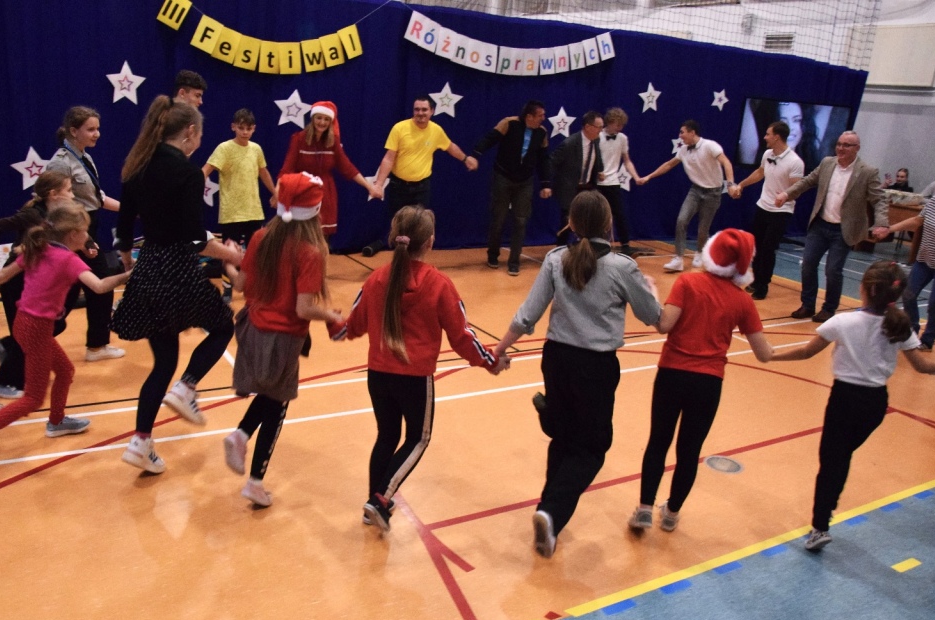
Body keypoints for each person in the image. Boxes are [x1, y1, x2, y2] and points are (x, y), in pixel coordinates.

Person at [492, 191, 662, 558]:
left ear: (571, 224)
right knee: (592, 448)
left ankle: (548, 518)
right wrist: (651, 289)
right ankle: (551, 513)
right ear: (608, 223)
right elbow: (654, 317)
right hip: (595, 367)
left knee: (564, 438)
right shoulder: (622, 267)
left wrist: (501, 348)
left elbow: (528, 313)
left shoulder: (556, 259)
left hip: (556, 359)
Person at [330, 205, 504, 533]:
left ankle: (373, 504)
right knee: (418, 438)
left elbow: (354, 325)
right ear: (430, 242)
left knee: (387, 435)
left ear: (394, 237)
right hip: (414, 378)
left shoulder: (376, 279)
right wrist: (489, 361)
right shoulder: (439, 284)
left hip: (378, 374)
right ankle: (380, 499)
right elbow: (462, 336)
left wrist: (335, 325)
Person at [0, 202, 132, 475]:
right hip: (37, 327)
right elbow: (99, 286)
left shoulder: (40, 248)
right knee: (33, 398)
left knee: (65, 371)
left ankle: (57, 422)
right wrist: (131, 274)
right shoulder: (69, 259)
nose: (88, 235)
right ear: (73, 234)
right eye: (85, 231)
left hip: (24, 323)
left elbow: (2, 274)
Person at [769, 261, 935, 551]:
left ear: (866, 290)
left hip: (844, 400)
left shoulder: (842, 322)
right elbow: (923, 367)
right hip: (875, 405)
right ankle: (825, 513)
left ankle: (820, 526)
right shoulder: (899, 324)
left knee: (832, 463)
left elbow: (806, 353)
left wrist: (770, 356)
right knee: (840, 457)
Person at [113, 96, 243, 474]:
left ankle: (140, 441)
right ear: (189, 132)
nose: (199, 141)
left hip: (148, 268)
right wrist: (231, 254)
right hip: (177, 268)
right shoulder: (187, 174)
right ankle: (187, 387)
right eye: (199, 135)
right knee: (223, 325)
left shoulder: (136, 166)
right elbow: (195, 238)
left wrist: (129, 265)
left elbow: (124, 231)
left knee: (163, 360)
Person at [627, 229, 773, 534]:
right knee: (689, 451)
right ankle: (671, 513)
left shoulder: (688, 283)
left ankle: (644, 509)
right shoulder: (742, 300)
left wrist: (651, 290)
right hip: (708, 382)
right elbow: (763, 353)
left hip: (672, 375)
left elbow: (663, 325)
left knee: (658, 442)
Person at [221, 172, 343, 507]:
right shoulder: (310, 252)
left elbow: (240, 285)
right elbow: (303, 308)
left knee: (270, 398)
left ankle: (242, 439)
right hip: (283, 338)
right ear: (314, 212)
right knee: (277, 405)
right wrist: (332, 316)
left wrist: (229, 261)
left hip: (252, 330)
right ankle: (253, 476)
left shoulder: (261, 237)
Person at [0, 170, 76, 398]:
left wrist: (90, 244)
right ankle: (1, 382)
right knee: (29, 334)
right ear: (53, 194)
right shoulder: (32, 214)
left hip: (31, 280)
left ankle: (6, 346)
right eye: (69, 190)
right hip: (15, 281)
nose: (73, 195)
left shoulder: (58, 214)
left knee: (47, 327)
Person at [776, 131, 888, 323]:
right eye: (839, 144)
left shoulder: (867, 172)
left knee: (833, 270)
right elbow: (807, 181)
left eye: (846, 145)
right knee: (808, 264)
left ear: (857, 148)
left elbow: (879, 200)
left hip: (843, 230)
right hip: (820, 224)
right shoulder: (827, 163)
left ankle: (829, 308)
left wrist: (882, 223)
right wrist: (787, 194)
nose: (841, 148)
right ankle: (807, 305)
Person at [47, 106, 124, 362]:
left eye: (97, 128)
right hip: (73, 234)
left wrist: (129, 210)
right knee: (99, 285)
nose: (97, 134)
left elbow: (96, 198)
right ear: (73, 131)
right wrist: (81, 239)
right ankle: (96, 346)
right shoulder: (61, 162)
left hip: (87, 228)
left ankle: (17, 345)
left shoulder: (84, 157)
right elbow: (57, 205)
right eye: (90, 129)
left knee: (68, 294)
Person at [364, 96, 478, 256]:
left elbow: (450, 147)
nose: (420, 113)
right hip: (399, 187)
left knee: (419, 227)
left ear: (432, 111)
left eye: (424, 109)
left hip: (421, 188)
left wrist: (466, 159)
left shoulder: (436, 130)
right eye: (416, 109)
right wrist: (379, 184)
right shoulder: (399, 128)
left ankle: (415, 260)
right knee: (398, 226)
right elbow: (389, 158)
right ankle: (399, 260)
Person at [202, 108, 277, 301]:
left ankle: (254, 287)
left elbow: (263, 172)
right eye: (241, 128)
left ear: (254, 129)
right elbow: (206, 170)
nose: (245, 132)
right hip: (231, 213)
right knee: (229, 254)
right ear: (233, 127)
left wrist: (275, 192)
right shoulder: (224, 148)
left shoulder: (256, 149)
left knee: (255, 253)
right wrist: (191, 188)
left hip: (253, 211)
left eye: (248, 129)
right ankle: (227, 289)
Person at [641, 120, 736, 272]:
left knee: (703, 228)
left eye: (682, 132)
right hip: (695, 190)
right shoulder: (683, 150)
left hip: (713, 192)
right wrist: (649, 176)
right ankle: (678, 258)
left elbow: (726, 162)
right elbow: (669, 164)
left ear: (692, 133)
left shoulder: (710, 146)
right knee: (681, 220)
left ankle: (700, 252)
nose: (680, 135)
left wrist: (730, 184)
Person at [280, 101, 381, 242]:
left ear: (331, 121)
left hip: (325, 192)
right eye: (319, 118)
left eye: (326, 119)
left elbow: (347, 168)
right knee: (303, 235)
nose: (322, 122)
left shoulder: (333, 142)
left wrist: (369, 187)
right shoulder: (299, 139)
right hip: (303, 190)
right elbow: (287, 169)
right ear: (313, 118)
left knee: (323, 237)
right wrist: (278, 193)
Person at [470, 99, 552, 275]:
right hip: (503, 177)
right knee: (498, 218)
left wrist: (546, 183)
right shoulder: (509, 123)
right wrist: (475, 154)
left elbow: (543, 159)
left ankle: (514, 261)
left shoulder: (542, 133)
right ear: (529, 116)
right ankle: (493, 254)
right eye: (540, 115)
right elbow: (490, 139)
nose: (543, 118)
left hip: (525, 181)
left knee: (521, 220)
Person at [730, 120, 804, 300]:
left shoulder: (795, 162)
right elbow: (760, 172)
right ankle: (756, 280)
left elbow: (797, 189)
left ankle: (763, 285)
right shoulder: (767, 154)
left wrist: (785, 196)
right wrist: (742, 185)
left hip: (781, 211)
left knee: (768, 249)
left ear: (777, 137)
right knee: (756, 246)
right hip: (763, 206)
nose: (765, 137)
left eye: (768, 134)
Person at [872, 179, 935, 350]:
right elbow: (917, 221)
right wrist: (889, 229)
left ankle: (928, 340)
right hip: (924, 260)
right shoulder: (933, 203)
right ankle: (912, 331)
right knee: (908, 294)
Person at [597, 107, 646, 257]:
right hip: (597, 183)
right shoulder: (597, 136)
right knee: (598, 214)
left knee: (620, 214)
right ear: (610, 122)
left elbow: (627, 160)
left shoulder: (622, 138)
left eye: (622, 125)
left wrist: (636, 177)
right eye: (618, 124)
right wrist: (597, 172)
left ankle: (625, 244)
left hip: (613, 181)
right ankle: (597, 243)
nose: (620, 128)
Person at [550, 111, 604, 246]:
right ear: (588, 127)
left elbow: (596, 158)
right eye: (599, 127)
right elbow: (552, 163)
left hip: (587, 187)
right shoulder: (569, 143)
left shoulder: (596, 141)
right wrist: (553, 183)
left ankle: (584, 248)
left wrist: (599, 171)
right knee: (568, 221)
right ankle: (560, 248)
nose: (601, 130)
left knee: (589, 219)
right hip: (570, 188)